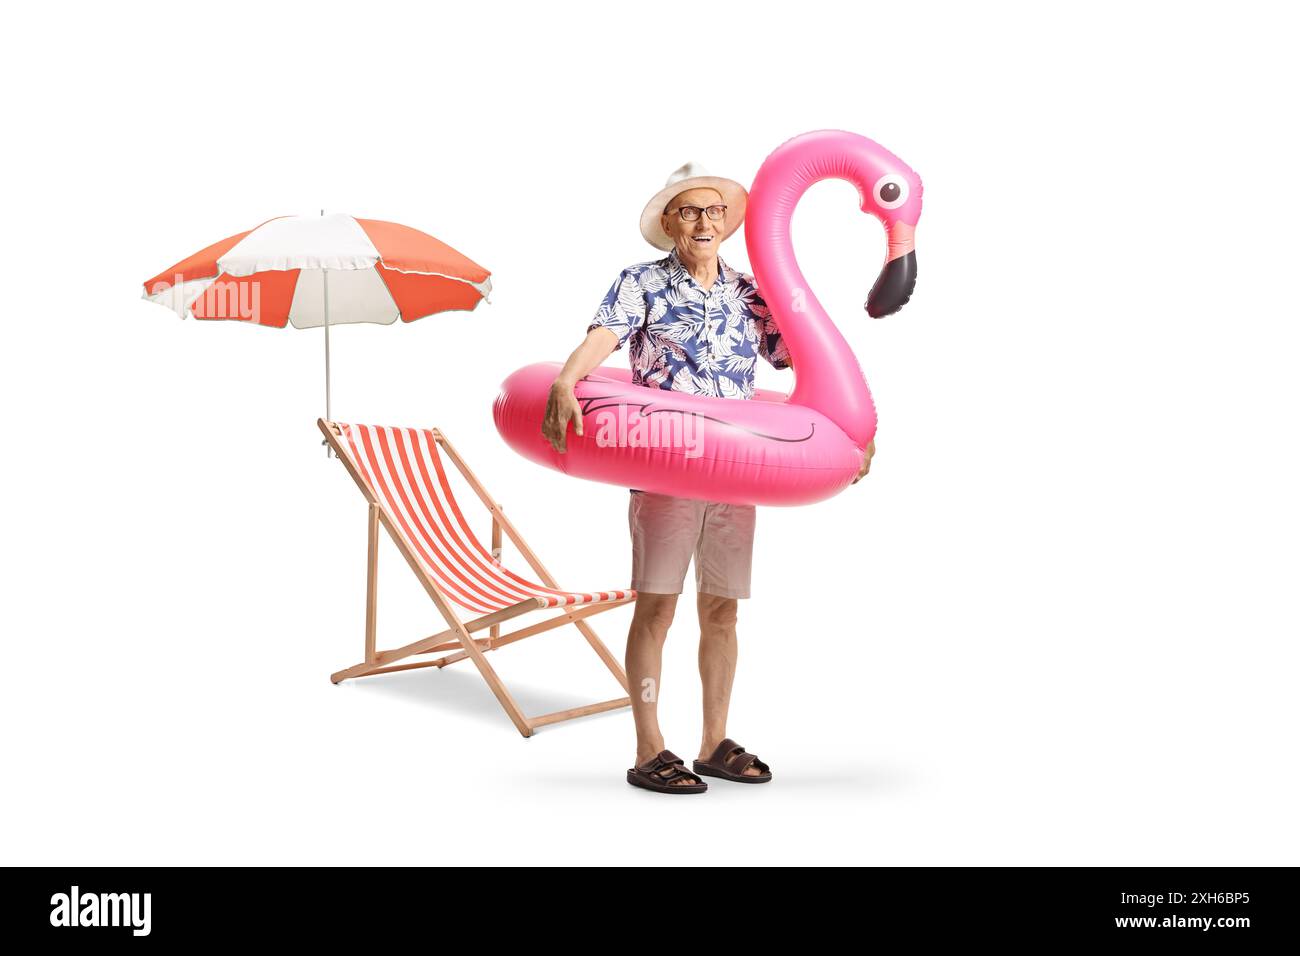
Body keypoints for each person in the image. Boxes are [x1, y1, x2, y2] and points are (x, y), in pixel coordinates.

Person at [541, 162, 875, 794]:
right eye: (690, 211)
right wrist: (565, 378)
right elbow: (604, 336)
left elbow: (803, 356)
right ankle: (649, 749)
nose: (704, 222)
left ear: (727, 222)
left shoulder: (750, 290)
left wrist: (851, 424)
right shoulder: (641, 282)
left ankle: (713, 742)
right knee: (658, 607)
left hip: (738, 470)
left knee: (722, 610)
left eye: (715, 211)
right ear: (670, 221)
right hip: (665, 460)